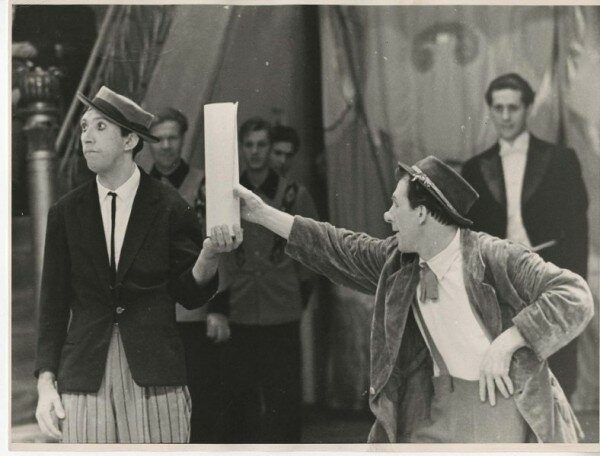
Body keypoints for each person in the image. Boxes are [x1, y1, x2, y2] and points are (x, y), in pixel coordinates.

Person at [234, 155, 593, 443]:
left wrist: (510, 340)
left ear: (421, 213)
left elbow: (574, 295)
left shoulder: (494, 256)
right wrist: (260, 213)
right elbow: (335, 246)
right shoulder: (399, 261)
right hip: (437, 405)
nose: (387, 215)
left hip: (504, 407)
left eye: (395, 205)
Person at [34, 86, 242, 444]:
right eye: (84, 127)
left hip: (155, 375)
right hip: (85, 375)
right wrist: (45, 381)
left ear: (129, 140)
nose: (86, 136)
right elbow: (52, 303)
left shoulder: (169, 206)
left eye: (100, 126)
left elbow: (189, 294)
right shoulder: (65, 213)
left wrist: (209, 256)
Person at [461, 73, 589, 399]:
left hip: (548, 276)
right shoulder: (475, 168)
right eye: (498, 108)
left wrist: (573, 285)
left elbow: (577, 231)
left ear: (528, 108)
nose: (505, 117)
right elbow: (469, 238)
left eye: (513, 108)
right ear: (490, 110)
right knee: (504, 375)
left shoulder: (561, 160)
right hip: (499, 284)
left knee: (557, 377)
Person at [219, 117, 317, 443]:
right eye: (249, 145)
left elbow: (311, 255)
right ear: (241, 148)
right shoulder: (229, 195)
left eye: (262, 144)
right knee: (240, 401)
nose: (255, 152)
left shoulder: (294, 194)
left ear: (270, 147)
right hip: (241, 312)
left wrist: (294, 299)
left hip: (282, 312)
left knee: (283, 401)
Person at [148, 107, 231, 443]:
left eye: (173, 137)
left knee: (202, 403)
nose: (166, 145)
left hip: (197, 313)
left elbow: (223, 245)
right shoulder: (139, 187)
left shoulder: (205, 184)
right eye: (159, 139)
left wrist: (219, 307)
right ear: (148, 142)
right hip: (155, 314)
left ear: (183, 139)